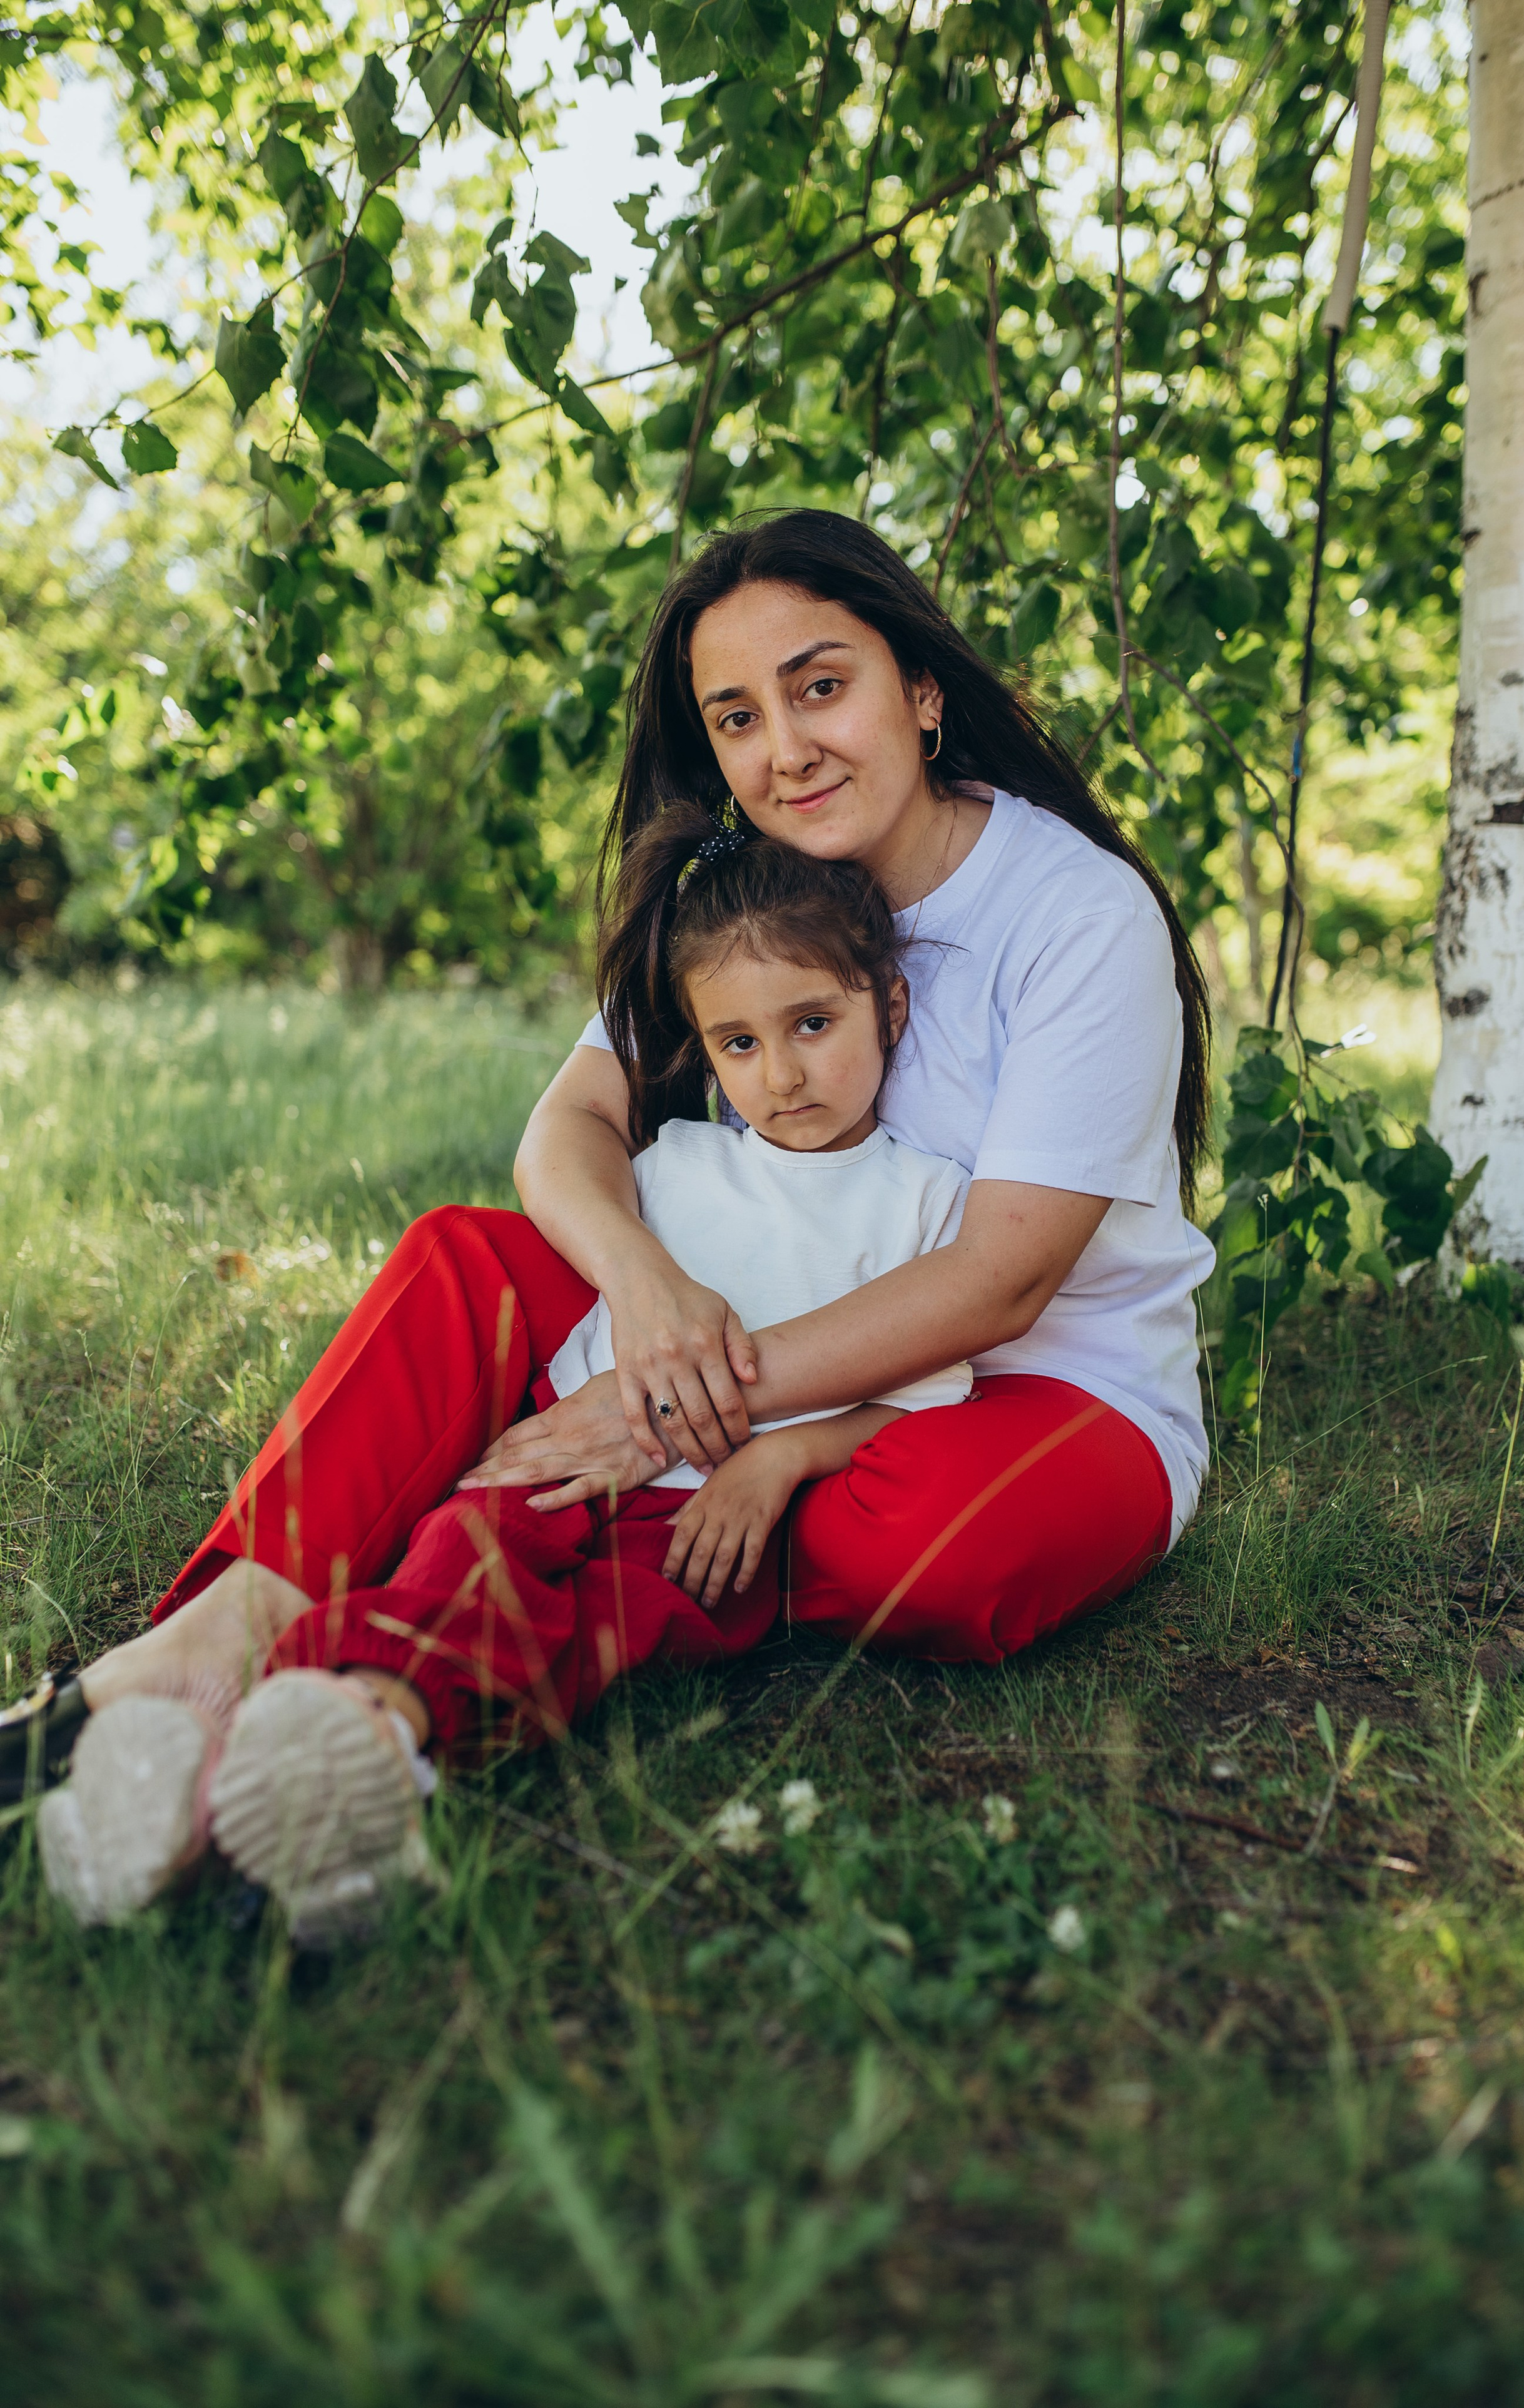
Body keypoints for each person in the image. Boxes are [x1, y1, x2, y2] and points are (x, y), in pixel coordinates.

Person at [2, 506, 1216, 1934]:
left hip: (1019, 1395)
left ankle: (428, 1655)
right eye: (736, 717)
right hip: (727, 1332)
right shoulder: (745, 908)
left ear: (921, 690)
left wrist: (660, 1412)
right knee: (470, 1262)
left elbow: (1002, 1281)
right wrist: (641, 1287)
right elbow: (563, 1135)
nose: (786, 748)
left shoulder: (1075, 912)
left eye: (820, 686)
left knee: (937, 1548)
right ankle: (229, 1631)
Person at [31, 825, 976, 1936]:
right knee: (461, 1554)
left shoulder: (924, 1202)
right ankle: (338, 1740)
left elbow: (917, 1397)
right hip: (564, 1452)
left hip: (710, 1520)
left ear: (891, 1010)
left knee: (585, 1632)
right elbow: (601, 1291)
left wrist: (779, 1457)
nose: (781, 1074)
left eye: (814, 1025)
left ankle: (305, 1752)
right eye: (738, 1044)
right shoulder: (672, 1167)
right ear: (704, 1053)